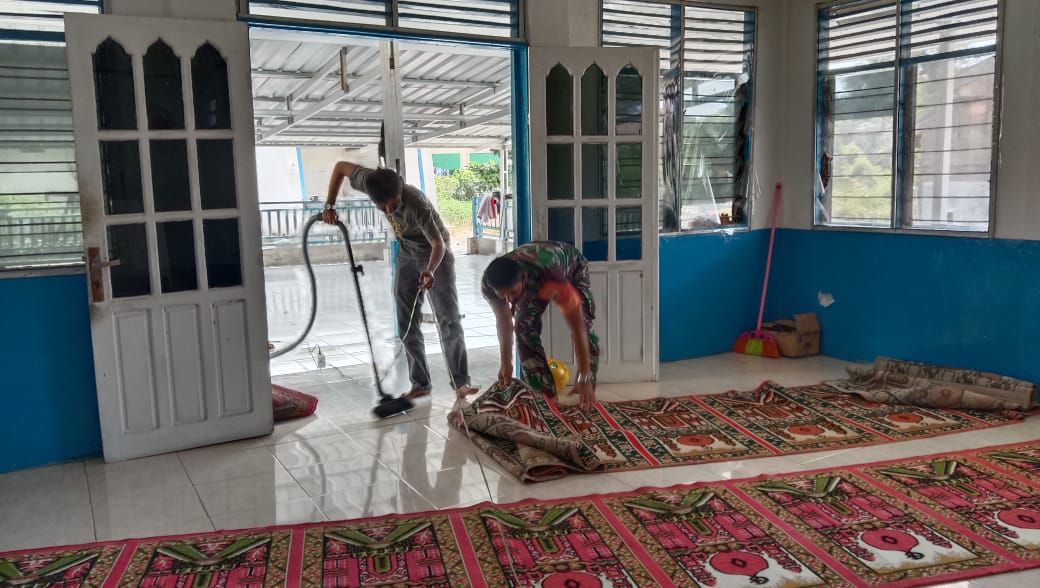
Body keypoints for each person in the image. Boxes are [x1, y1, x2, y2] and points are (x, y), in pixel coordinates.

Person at [323, 162, 478, 399]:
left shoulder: (416, 202)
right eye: (381, 206)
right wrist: (329, 204)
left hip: (436, 256)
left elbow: (439, 244)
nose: (388, 210)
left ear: (400, 192)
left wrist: (430, 271)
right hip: (406, 255)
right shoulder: (370, 181)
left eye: (393, 204)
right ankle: (420, 383)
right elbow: (341, 167)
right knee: (406, 323)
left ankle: (461, 382)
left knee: (448, 319)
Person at [481, 241, 599, 409]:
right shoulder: (489, 283)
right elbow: (503, 320)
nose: (510, 300)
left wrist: (585, 375)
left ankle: (587, 387)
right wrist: (505, 362)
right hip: (535, 271)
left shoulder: (551, 275)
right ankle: (546, 398)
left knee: (585, 323)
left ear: (525, 278)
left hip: (570, 266)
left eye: (513, 293)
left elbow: (578, 326)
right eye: (503, 296)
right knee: (523, 329)